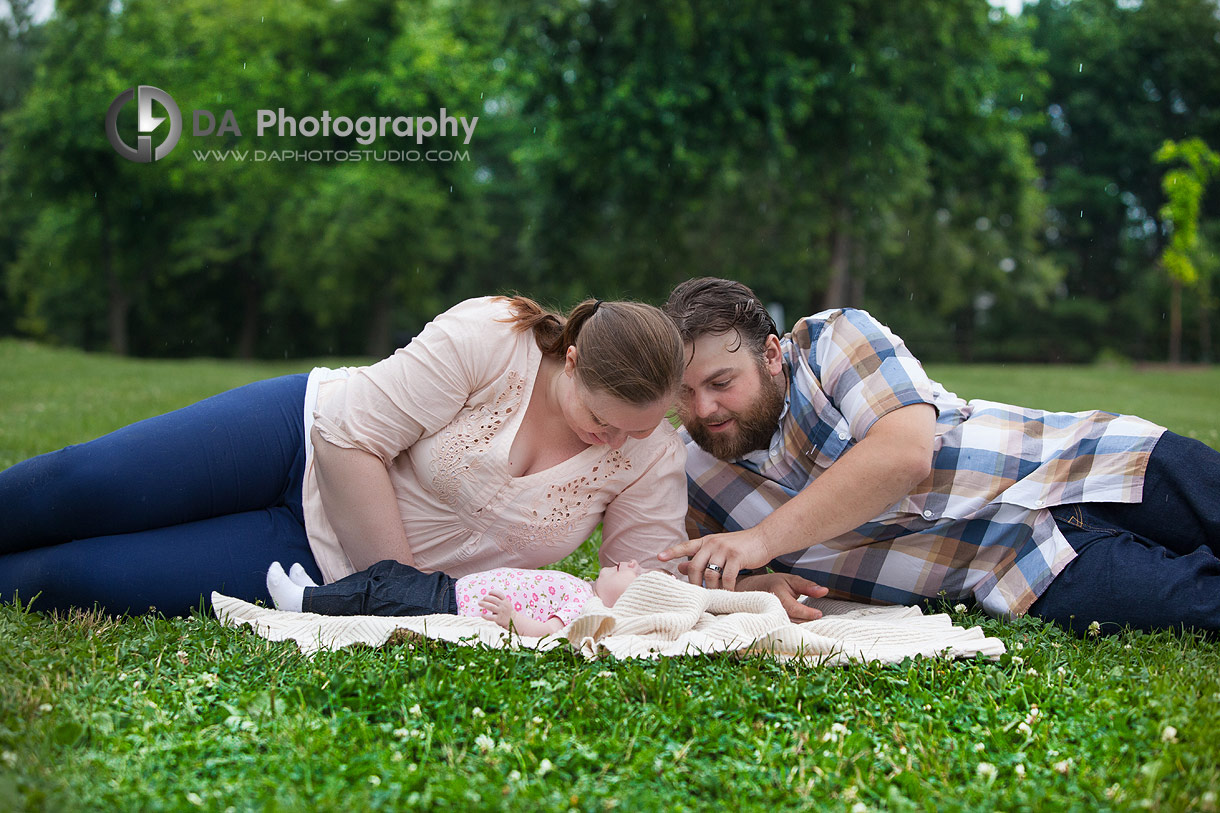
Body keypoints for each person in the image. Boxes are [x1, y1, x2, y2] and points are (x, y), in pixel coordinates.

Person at [0, 295, 688, 617]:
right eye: (604, 421)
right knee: (74, 484)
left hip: (316, 562)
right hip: (295, 438)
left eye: (639, 429)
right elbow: (349, 437)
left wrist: (744, 586)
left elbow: (649, 594)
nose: (618, 443)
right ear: (571, 360)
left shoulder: (649, 451)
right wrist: (405, 593)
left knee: (68, 580)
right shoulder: (491, 336)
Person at [657, 276, 1220, 636]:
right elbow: (665, 581)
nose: (703, 407)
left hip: (1089, 458)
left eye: (721, 382)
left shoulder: (832, 340)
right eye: (682, 392)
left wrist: (760, 542)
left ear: (772, 356)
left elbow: (903, 455)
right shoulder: (687, 474)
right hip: (1024, 570)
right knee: (1201, 610)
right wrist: (751, 586)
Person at [264, 558, 645, 637]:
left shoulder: (585, 606)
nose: (630, 562)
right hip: (452, 587)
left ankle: (301, 602)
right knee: (386, 571)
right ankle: (319, 592)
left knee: (377, 594)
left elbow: (547, 632)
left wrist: (513, 619)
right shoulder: (581, 586)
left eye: (636, 573)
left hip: (450, 606)